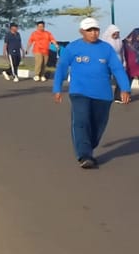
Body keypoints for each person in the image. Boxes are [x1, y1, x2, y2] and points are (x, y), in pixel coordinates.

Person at [53, 17, 132, 169]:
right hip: (79, 92)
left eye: (96, 30)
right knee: (81, 122)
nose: (93, 33)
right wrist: (57, 88)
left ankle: (89, 146)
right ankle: (84, 155)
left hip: (103, 95)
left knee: (98, 125)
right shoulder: (72, 48)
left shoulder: (106, 48)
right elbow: (62, 68)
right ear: (82, 31)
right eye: (89, 30)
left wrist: (125, 88)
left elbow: (117, 68)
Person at [102, 25, 124, 101]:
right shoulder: (104, 41)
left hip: (117, 61)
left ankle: (118, 96)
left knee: (119, 79)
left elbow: (122, 52)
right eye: (114, 33)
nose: (116, 35)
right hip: (106, 62)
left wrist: (124, 62)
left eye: (117, 33)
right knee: (106, 79)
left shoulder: (119, 40)